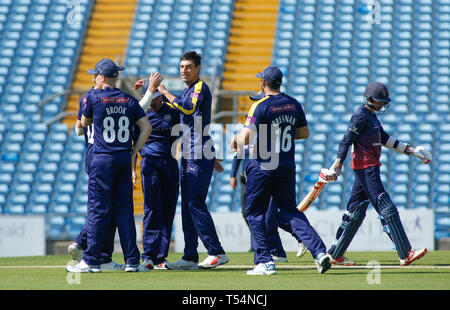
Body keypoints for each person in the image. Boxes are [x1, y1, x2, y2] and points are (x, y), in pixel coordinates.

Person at [231, 66, 331, 275]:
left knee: (254, 212)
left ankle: (265, 261)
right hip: (286, 165)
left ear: (263, 83)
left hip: (262, 167)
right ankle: (320, 252)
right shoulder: (294, 104)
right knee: (290, 211)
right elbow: (304, 133)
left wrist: (236, 139)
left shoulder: (260, 106)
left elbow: (246, 136)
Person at [323, 82, 431, 266]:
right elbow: (346, 141)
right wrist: (338, 164)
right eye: (379, 101)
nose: (382, 105)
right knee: (386, 206)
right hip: (366, 168)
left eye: (383, 102)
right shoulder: (360, 116)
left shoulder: (371, 117)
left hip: (366, 168)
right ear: (369, 99)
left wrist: (413, 151)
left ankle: (335, 254)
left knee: (355, 212)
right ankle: (405, 253)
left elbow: (386, 140)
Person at [66, 58, 152, 273]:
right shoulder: (129, 99)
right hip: (123, 158)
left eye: (96, 75)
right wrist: (133, 153)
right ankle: (132, 261)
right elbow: (146, 127)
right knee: (124, 211)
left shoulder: (92, 97)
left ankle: (92, 259)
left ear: (101, 78)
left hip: (102, 159)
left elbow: (82, 125)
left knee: (98, 210)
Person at [156, 51, 228, 270]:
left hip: (198, 154)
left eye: (188, 66)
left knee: (194, 203)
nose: (183, 70)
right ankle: (190, 255)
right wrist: (150, 93)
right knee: (187, 206)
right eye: (181, 67)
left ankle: (216, 251)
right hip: (190, 153)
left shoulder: (199, 88)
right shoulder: (188, 90)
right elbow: (185, 115)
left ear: (198, 68)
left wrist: (163, 90)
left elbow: (188, 109)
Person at [231, 91, 308, 261]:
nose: (255, 104)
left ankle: (276, 250)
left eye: (257, 101)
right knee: (251, 213)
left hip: (267, 172)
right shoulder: (250, 125)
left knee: (268, 215)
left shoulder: (267, 122)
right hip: (250, 175)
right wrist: (233, 174)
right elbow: (238, 153)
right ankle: (270, 249)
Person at [67, 83, 123, 271]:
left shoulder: (85, 99)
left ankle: (90, 248)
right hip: (105, 154)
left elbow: (78, 129)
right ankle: (95, 254)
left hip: (91, 154)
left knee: (102, 206)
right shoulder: (108, 101)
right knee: (106, 208)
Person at [135, 78, 180, 270]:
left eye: (159, 97)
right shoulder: (140, 114)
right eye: (152, 97)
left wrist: (163, 90)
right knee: (152, 208)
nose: (156, 101)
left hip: (169, 164)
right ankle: (148, 255)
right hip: (149, 164)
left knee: (168, 209)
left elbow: (187, 109)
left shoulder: (171, 111)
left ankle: (161, 256)